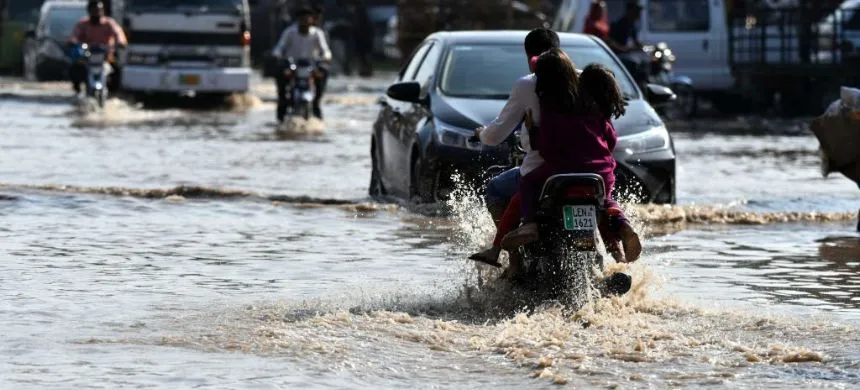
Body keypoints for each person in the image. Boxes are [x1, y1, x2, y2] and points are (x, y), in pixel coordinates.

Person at [501, 55, 641, 262]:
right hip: (600, 172)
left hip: (562, 168)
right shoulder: (596, 110)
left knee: (528, 182)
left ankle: (530, 224)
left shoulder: (552, 106)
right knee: (604, 203)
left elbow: (546, 148)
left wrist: (532, 132)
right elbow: (610, 141)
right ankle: (620, 240)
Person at [468, 28, 559, 272]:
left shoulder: (529, 84)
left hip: (543, 166)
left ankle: (514, 262)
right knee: (606, 202)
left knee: (496, 190)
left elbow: (495, 135)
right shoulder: (583, 80)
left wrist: (481, 134)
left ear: (530, 57)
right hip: (588, 166)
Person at [272, 6, 333, 121]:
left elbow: (325, 50)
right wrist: (278, 56)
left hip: (311, 67)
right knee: (281, 82)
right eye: (302, 18)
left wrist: (326, 57)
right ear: (298, 20)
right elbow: (279, 48)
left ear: (312, 20)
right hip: (292, 66)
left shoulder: (317, 33)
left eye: (307, 18)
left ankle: (316, 102)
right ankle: (282, 112)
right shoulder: (290, 32)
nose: (305, 21)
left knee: (324, 71)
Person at [68, 0, 127, 95]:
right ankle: (77, 90)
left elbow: (118, 34)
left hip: (106, 56)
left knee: (117, 69)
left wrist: (121, 42)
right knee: (75, 67)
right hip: (88, 56)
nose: (97, 12)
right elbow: (74, 36)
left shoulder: (109, 23)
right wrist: (73, 41)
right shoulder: (82, 24)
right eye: (94, 10)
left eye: (99, 10)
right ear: (89, 11)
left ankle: (113, 93)